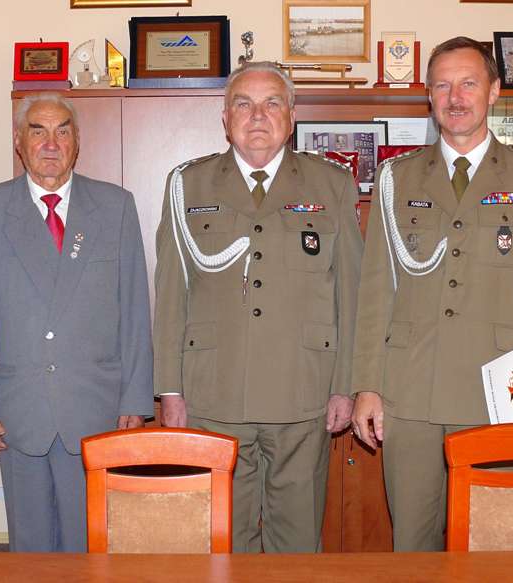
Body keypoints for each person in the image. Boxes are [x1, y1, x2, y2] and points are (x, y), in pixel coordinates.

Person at [350, 36, 513, 551]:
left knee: (493, 543)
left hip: (498, 394)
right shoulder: (396, 178)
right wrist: (367, 385)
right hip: (410, 392)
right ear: (429, 96)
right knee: (413, 544)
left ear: (494, 91)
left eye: (468, 83)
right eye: (442, 86)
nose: (455, 97)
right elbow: (376, 291)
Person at [153, 62, 363, 553]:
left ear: (291, 116)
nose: (258, 116)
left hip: (303, 390)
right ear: (225, 118)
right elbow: (170, 294)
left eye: (272, 104)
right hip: (213, 393)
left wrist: (346, 386)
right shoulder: (188, 184)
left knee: (298, 538)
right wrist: (169, 389)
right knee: (223, 538)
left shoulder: (331, 184)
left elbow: (351, 293)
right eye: (243, 104)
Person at [0, 93, 153, 552]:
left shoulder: (114, 206)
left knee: (88, 546)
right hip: (16, 407)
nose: (50, 143)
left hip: (94, 405)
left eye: (62, 131)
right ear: (18, 141)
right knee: (30, 550)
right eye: (38, 131)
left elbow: (134, 309)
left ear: (77, 142)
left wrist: (135, 397)